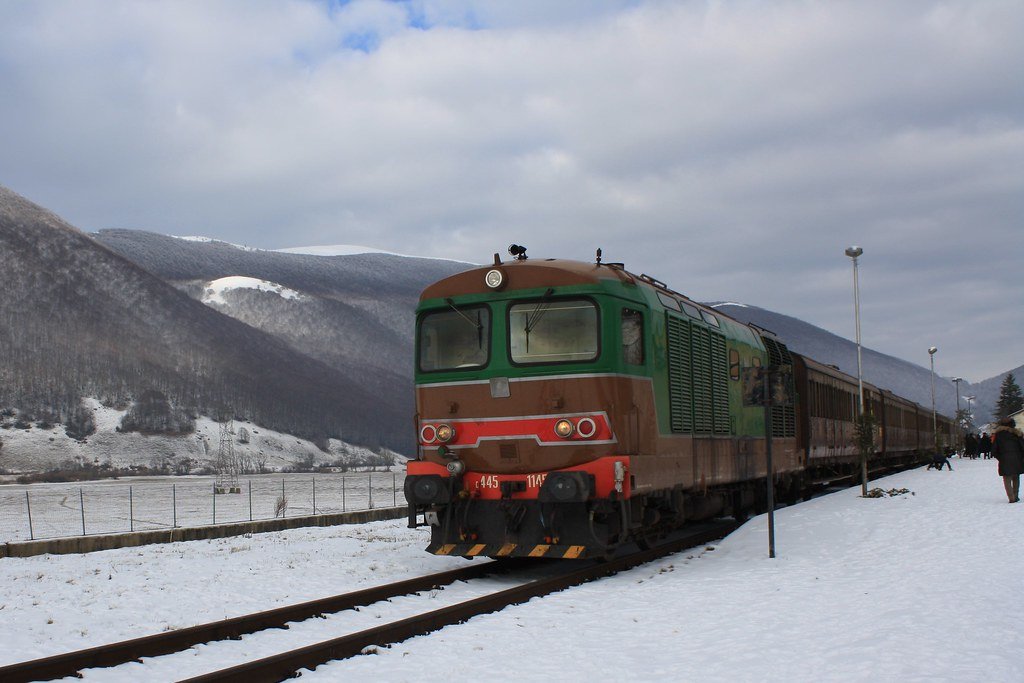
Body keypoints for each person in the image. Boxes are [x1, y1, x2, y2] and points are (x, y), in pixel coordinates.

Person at [990, 418, 1024, 503]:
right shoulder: (1017, 434)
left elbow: (994, 450)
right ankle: (1016, 496)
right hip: (1017, 458)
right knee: (1016, 477)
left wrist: (1000, 458)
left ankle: (1011, 498)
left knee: (1007, 479)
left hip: (1004, 459)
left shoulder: (998, 435)